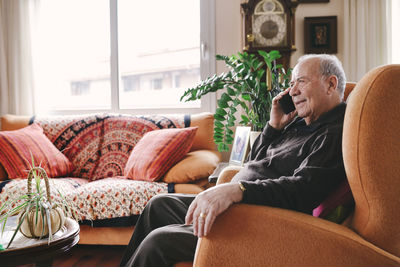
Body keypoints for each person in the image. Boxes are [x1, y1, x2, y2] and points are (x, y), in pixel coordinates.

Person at [119, 54, 347, 267]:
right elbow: (253, 163)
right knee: (157, 205)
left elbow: (303, 190)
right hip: (239, 207)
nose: (292, 91)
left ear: (331, 84)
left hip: (259, 221)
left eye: (302, 81)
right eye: (291, 84)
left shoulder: (333, 133)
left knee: (158, 242)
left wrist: (238, 190)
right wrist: (273, 127)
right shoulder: (298, 124)